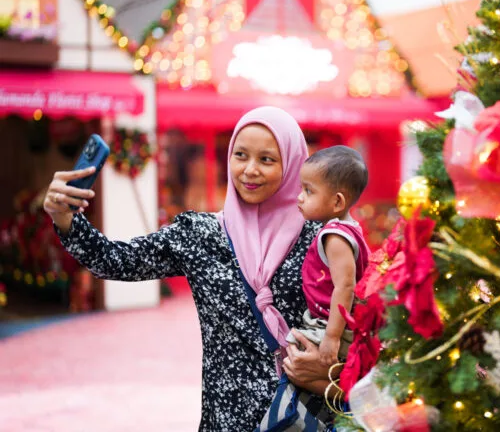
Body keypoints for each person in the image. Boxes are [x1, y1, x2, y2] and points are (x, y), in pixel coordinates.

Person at [43, 107, 335, 430]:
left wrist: (328, 370)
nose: (250, 170)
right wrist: (65, 219)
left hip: (301, 417)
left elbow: (358, 325)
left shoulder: (322, 239)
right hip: (225, 421)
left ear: (292, 165)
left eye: (267, 159)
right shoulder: (200, 235)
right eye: (240, 155)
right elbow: (115, 260)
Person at [291, 146, 370, 370]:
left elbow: (345, 286)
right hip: (331, 324)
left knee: (294, 365)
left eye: (309, 191)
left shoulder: (335, 237)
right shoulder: (349, 229)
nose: (300, 197)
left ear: (337, 202)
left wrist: (332, 337)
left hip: (330, 326)